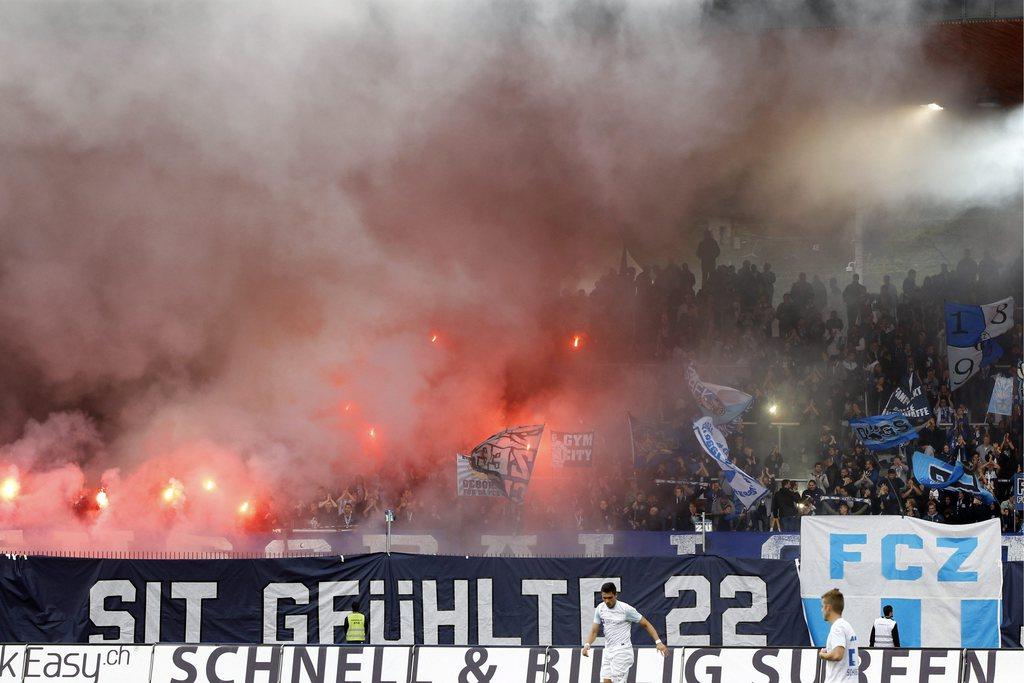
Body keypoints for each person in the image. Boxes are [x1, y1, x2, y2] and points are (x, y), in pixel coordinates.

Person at [583, 582, 668, 681]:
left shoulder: (626, 609)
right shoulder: (600, 609)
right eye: (604, 598)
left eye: (610, 597)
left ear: (615, 595)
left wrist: (658, 642)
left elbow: (646, 624)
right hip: (608, 650)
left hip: (622, 651)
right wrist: (587, 644)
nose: (607, 601)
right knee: (606, 681)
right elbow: (594, 631)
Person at [818, 588, 859, 682]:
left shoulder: (837, 628)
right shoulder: (847, 626)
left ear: (828, 608)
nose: (821, 610)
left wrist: (822, 655)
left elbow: (837, 655)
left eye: (822, 606)